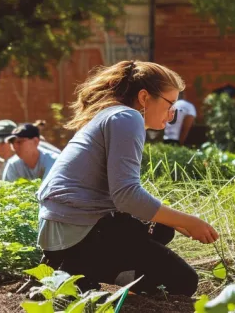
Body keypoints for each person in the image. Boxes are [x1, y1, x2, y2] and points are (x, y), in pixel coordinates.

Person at [37, 60, 217, 296]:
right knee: (183, 282)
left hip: (60, 230)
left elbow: (121, 196)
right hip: (77, 230)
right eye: (169, 104)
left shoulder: (112, 115)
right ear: (144, 97)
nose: (171, 115)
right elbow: (127, 196)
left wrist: (176, 222)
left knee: (162, 229)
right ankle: (72, 274)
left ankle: (76, 271)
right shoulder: (127, 118)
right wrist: (191, 221)